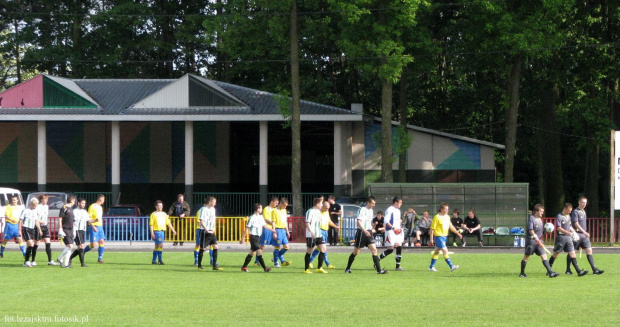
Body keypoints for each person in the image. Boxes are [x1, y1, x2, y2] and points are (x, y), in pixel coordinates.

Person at [344, 196, 387, 274]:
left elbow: (368, 222)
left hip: (369, 231)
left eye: (374, 203)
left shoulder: (371, 211)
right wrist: (365, 230)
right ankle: (347, 268)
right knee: (356, 252)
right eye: (373, 203)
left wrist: (371, 228)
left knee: (374, 249)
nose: (374, 205)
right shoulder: (362, 210)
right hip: (361, 232)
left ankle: (379, 270)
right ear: (368, 202)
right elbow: (358, 222)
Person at [566, 196, 604, 275]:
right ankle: (568, 269)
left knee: (589, 250)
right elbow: (576, 223)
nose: (584, 204)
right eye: (583, 202)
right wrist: (584, 232)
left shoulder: (583, 211)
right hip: (577, 234)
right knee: (572, 252)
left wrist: (584, 233)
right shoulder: (575, 212)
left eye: (585, 202)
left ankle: (594, 269)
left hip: (584, 235)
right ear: (579, 202)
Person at [548, 203, 588, 277]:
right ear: (565, 209)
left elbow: (569, 226)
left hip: (568, 238)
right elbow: (558, 228)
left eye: (571, 211)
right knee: (555, 254)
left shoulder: (568, 216)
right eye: (569, 211)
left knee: (572, 253)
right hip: (561, 237)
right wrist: (568, 232)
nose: (570, 212)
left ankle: (578, 271)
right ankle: (549, 270)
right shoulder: (559, 216)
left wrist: (574, 233)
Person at [519, 204, 559, 278]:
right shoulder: (532, 218)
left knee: (544, 256)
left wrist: (546, 232)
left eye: (542, 211)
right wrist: (535, 236)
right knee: (526, 257)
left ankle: (550, 272)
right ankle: (522, 273)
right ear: (536, 211)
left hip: (539, 242)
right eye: (541, 211)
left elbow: (540, 231)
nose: (542, 213)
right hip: (531, 241)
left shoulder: (540, 219)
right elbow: (530, 230)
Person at [428, 202, 462, 272]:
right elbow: (432, 229)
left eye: (447, 209)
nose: (446, 211)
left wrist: (457, 233)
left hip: (444, 237)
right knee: (445, 251)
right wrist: (431, 239)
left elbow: (451, 226)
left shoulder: (447, 217)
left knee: (436, 252)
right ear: (441, 209)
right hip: (438, 237)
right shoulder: (437, 217)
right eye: (445, 209)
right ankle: (451, 266)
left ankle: (431, 267)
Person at [239, 203, 272, 272]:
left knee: (252, 253)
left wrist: (272, 230)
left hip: (258, 237)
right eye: (260, 208)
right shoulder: (252, 218)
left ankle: (244, 267)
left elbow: (264, 226)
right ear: (257, 209)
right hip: (253, 237)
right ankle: (265, 268)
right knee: (259, 251)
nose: (261, 209)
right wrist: (242, 238)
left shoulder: (260, 217)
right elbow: (247, 228)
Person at [308, 200, 339, 269]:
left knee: (320, 248)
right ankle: (327, 264)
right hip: (320, 231)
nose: (327, 209)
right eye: (326, 208)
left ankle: (310, 261)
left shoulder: (326, 212)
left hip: (325, 231)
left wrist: (335, 226)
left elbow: (329, 221)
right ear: (322, 206)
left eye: (328, 208)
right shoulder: (318, 213)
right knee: (323, 248)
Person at [68, 198, 97, 268]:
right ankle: (82, 263)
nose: (84, 205)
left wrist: (95, 220)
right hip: (77, 229)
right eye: (82, 203)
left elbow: (88, 220)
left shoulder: (84, 212)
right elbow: (71, 220)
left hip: (83, 230)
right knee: (81, 246)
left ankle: (69, 259)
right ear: (78, 203)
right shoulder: (74, 211)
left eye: (84, 203)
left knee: (80, 248)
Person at [197, 197, 223, 271]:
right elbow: (201, 220)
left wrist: (214, 228)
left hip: (212, 231)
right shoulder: (203, 209)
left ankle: (214, 265)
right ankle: (199, 265)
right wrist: (206, 229)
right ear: (210, 202)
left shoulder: (213, 209)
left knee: (215, 247)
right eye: (214, 202)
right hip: (205, 232)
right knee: (203, 248)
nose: (215, 203)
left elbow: (213, 220)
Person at [379, 196, 405, 271]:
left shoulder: (398, 211)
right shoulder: (390, 210)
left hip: (397, 231)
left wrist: (399, 228)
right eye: (400, 203)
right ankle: (377, 260)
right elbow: (386, 221)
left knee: (399, 247)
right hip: (390, 231)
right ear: (396, 202)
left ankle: (398, 266)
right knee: (390, 249)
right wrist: (393, 228)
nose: (401, 204)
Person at [33, 194, 58, 266]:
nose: (47, 200)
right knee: (36, 243)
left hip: (45, 226)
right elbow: (36, 218)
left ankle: (50, 260)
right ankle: (33, 260)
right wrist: (39, 226)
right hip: (38, 226)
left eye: (47, 199)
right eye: (45, 199)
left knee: (48, 243)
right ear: (41, 200)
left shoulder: (46, 207)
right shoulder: (37, 207)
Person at [150, 200, 177, 265]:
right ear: (156, 206)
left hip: (162, 231)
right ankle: (160, 260)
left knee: (157, 246)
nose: (161, 207)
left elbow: (168, 223)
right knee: (161, 245)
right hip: (157, 231)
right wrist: (152, 233)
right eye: (159, 206)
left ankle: (153, 261)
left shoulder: (164, 214)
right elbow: (151, 224)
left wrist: (173, 230)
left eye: (161, 206)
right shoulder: (153, 214)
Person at [304, 198, 326, 274]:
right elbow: (307, 223)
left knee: (323, 249)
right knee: (309, 251)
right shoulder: (310, 211)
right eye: (321, 203)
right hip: (311, 235)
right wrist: (312, 232)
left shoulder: (319, 212)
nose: (322, 205)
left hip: (319, 234)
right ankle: (306, 269)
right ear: (317, 204)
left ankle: (319, 267)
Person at [255, 196, 278, 266]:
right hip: (267, 229)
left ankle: (277, 261)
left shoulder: (276, 210)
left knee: (277, 245)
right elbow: (265, 219)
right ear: (272, 202)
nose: (276, 204)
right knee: (262, 246)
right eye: (276, 203)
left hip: (274, 229)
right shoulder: (266, 209)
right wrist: (271, 223)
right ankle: (256, 261)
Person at [20, 198, 42, 267]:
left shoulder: (35, 211)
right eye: (35, 205)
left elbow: (36, 221)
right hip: (26, 228)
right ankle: (27, 261)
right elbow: (20, 220)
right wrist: (19, 230)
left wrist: (40, 229)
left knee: (30, 246)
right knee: (31, 244)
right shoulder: (25, 210)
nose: (35, 207)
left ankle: (26, 261)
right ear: (31, 204)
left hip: (32, 229)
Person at [84, 194, 106, 263]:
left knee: (102, 241)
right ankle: (82, 252)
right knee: (93, 244)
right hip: (94, 227)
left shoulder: (100, 207)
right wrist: (92, 226)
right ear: (100, 199)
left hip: (100, 227)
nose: (104, 201)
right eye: (103, 200)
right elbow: (88, 218)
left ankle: (100, 258)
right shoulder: (92, 207)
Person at [271, 197, 291, 267]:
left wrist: (287, 231)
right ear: (281, 203)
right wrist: (274, 232)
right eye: (284, 205)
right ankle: (276, 263)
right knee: (277, 247)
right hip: (277, 230)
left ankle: (276, 256)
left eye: (286, 206)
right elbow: (273, 222)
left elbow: (285, 221)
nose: (285, 207)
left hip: (283, 230)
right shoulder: (274, 211)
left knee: (286, 247)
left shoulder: (284, 211)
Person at [57, 196, 76, 268]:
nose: (74, 203)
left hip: (70, 230)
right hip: (65, 229)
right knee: (70, 246)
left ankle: (65, 263)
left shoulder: (71, 209)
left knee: (70, 247)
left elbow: (73, 221)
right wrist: (60, 229)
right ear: (71, 200)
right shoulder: (64, 208)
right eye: (74, 201)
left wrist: (74, 230)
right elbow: (60, 218)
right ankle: (60, 258)